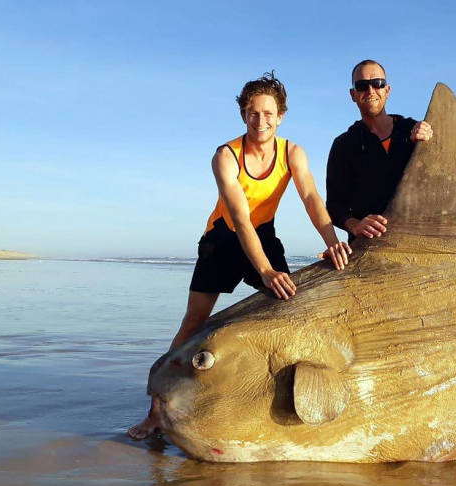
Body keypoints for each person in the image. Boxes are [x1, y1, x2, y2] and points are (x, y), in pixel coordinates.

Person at [128, 71, 351, 439]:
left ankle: (271, 400)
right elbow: (241, 219)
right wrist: (264, 271)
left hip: (263, 234)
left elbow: (311, 199)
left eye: (267, 113)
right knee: (194, 322)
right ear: (243, 115)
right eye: (252, 113)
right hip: (223, 238)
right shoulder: (226, 156)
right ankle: (156, 411)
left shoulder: (292, 152)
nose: (259, 121)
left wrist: (331, 239)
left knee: (288, 308)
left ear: (280, 116)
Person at [326, 59, 433, 241]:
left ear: (387, 90)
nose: (370, 91)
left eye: (377, 84)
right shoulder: (344, 144)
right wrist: (356, 225)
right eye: (362, 86)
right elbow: (335, 206)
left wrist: (429, 142)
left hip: (418, 240)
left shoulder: (414, 130)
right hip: (370, 245)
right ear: (353, 94)